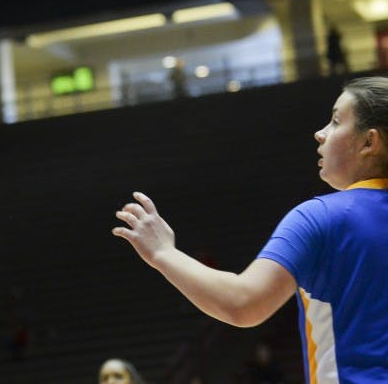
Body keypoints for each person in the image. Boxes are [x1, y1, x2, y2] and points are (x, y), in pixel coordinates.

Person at [113, 76, 388, 383]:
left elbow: (244, 304)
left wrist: (163, 253)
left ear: (369, 142)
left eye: (336, 122)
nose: (320, 133)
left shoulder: (321, 217)